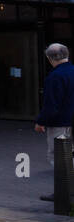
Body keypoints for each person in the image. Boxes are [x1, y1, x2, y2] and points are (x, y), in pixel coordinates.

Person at [36, 43, 74, 202]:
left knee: (58, 157)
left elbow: (51, 104)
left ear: (50, 58)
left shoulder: (55, 76)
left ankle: (63, 191)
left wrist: (41, 121)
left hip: (60, 123)